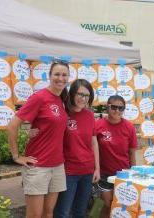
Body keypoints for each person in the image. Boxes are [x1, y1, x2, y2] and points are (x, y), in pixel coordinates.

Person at [7, 60, 69, 218]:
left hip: (57, 165)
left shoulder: (62, 99)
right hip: (38, 165)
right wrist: (17, 156)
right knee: (35, 215)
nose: (60, 78)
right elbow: (13, 125)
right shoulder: (39, 97)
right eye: (57, 74)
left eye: (64, 75)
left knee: (48, 213)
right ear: (49, 76)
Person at [54, 79, 100, 218]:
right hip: (68, 172)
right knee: (63, 212)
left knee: (80, 212)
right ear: (72, 93)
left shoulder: (90, 115)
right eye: (80, 94)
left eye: (86, 95)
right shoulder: (63, 113)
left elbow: (94, 143)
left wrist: (97, 168)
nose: (83, 98)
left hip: (87, 171)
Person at [96, 95, 137, 218]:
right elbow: (92, 149)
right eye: (114, 107)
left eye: (121, 108)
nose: (117, 111)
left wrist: (133, 174)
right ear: (107, 107)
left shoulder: (129, 127)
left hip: (123, 174)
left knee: (120, 206)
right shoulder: (98, 125)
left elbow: (132, 153)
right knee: (108, 204)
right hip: (103, 174)